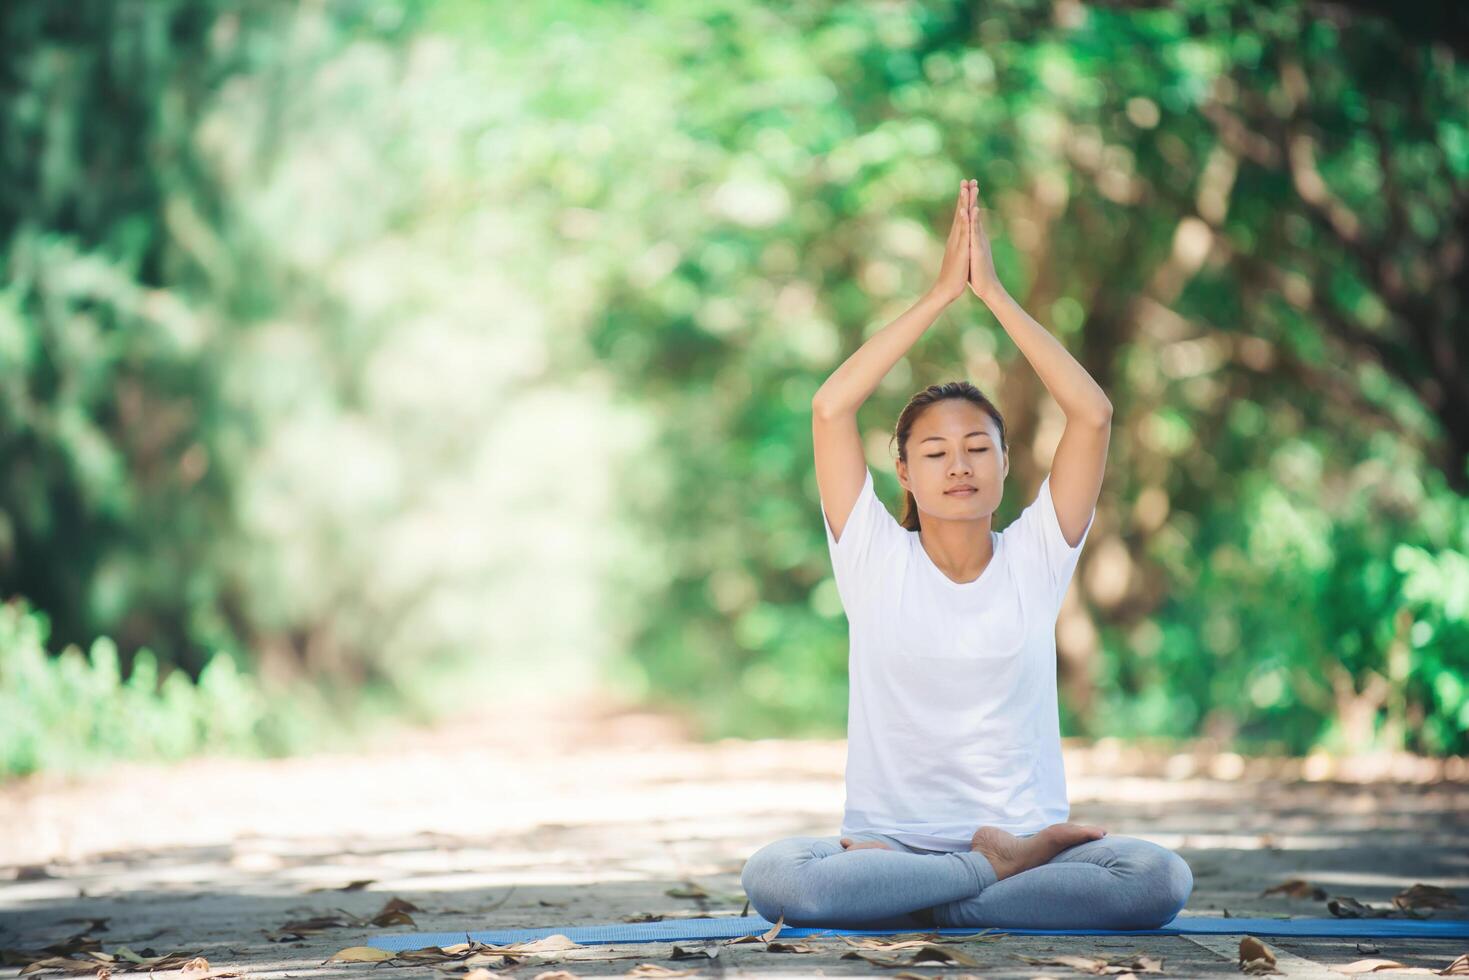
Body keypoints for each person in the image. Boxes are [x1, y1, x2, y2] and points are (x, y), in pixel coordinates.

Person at [740, 180, 1193, 930]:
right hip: (890, 845)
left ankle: (927, 897)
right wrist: (940, 295)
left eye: (977, 447)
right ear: (905, 474)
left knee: (1154, 879)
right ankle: (981, 883)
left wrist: (996, 299)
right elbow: (830, 407)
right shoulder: (874, 558)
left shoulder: (1034, 558)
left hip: (1029, 840)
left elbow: (1093, 413)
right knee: (782, 879)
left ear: (1005, 463)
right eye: (935, 452)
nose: (958, 465)